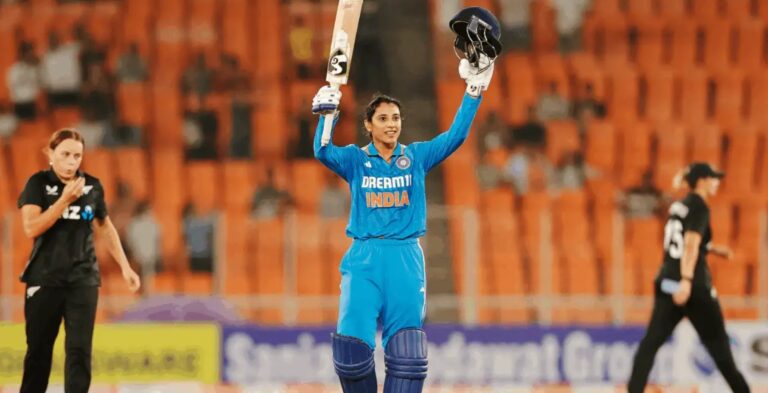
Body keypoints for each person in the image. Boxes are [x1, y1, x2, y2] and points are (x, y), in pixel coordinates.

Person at [312, 51, 494, 393]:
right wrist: (327, 116)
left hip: (405, 259)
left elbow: (455, 136)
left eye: (396, 117)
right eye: (383, 118)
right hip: (364, 259)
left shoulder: (415, 158)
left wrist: (474, 91)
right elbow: (323, 151)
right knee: (350, 355)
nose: (392, 124)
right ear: (368, 125)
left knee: (408, 361)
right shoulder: (354, 160)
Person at [17, 129, 141, 393]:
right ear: (51, 154)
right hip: (44, 279)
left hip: (83, 279)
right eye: (65, 154)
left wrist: (125, 266)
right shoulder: (37, 184)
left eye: (77, 155)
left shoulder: (92, 186)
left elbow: (105, 226)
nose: (71, 161)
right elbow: (31, 227)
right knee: (39, 352)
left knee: (79, 352)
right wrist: (63, 201)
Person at [627, 162, 751, 393]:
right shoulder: (700, 206)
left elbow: (683, 240)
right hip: (692, 286)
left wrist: (713, 249)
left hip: (667, 281)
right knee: (721, 352)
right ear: (702, 181)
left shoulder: (678, 206)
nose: (716, 182)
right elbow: (691, 244)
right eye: (713, 178)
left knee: (649, 344)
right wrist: (686, 280)